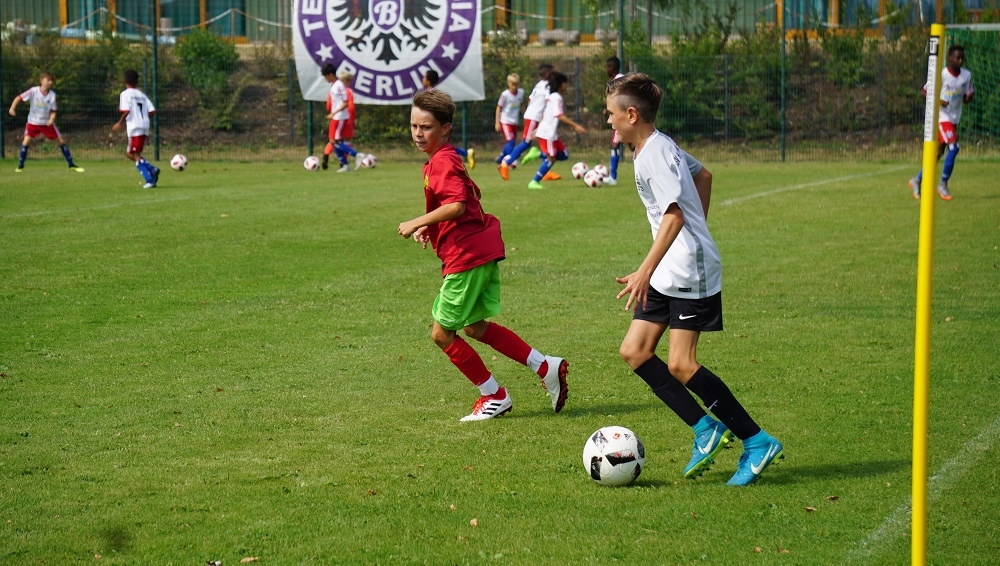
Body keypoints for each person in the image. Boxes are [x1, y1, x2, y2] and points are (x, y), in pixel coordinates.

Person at [605, 73, 783, 486]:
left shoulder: (654, 154)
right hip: (670, 265)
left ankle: (757, 441)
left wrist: (647, 268)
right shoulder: (656, 146)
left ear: (631, 115)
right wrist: (688, 236)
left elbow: (675, 215)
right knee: (635, 351)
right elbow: (704, 177)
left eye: (610, 113)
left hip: (687, 269)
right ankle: (706, 430)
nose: (607, 120)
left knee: (681, 364)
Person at [397, 88, 568, 421]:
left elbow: (457, 205)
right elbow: (466, 201)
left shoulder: (443, 160)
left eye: (426, 127)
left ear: (445, 128)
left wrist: (417, 221)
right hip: (477, 251)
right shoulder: (441, 158)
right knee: (474, 327)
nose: (418, 133)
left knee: (442, 334)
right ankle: (545, 366)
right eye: (414, 126)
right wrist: (430, 226)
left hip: (467, 257)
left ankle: (494, 395)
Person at [908, 45, 974, 201]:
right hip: (942, 117)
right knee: (954, 147)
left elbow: (967, 96)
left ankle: (917, 179)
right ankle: (943, 184)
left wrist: (968, 97)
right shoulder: (941, 74)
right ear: (949, 58)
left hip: (954, 118)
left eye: (962, 58)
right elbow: (924, 93)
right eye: (957, 58)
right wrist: (939, 101)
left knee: (937, 154)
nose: (960, 61)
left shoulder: (966, 75)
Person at [8, 71, 85, 173]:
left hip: (46, 123)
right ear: (41, 81)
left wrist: (51, 119)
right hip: (33, 122)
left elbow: (54, 111)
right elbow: (19, 97)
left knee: (61, 141)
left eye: (51, 81)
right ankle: (20, 166)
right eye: (48, 80)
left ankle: (71, 165)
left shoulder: (52, 95)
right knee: (26, 142)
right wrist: (12, 108)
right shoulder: (33, 91)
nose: (50, 82)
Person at [527, 72, 586, 190]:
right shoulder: (556, 97)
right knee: (552, 158)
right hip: (547, 133)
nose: (567, 86)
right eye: (565, 83)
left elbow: (546, 114)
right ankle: (534, 182)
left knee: (564, 155)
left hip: (550, 133)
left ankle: (538, 154)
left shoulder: (552, 97)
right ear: (560, 84)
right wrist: (576, 126)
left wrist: (538, 129)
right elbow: (559, 115)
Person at [498, 64, 552, 180]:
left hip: (533, 116)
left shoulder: (539, 84)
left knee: (545, 141)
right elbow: (548, 102)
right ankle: (505, 163)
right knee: (526, 142)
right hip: (534, 117)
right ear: (548, 74)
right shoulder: (547, 86)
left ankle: (545, 171)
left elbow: (530, 99)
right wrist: (541, 117)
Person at [111, 69, 159, 189]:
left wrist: (119, 123)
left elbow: (126, 111)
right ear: (137, 82)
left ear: (124, 81)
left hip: (134, 126)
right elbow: (152, 111)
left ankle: (149, 179)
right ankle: (151, 168)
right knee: (130, 153)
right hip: (144, 125)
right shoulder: (142, 95)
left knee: (135, 154)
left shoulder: (125, 94)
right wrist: (142, 118)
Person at [422, 70, 475, 169]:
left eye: (424, 77)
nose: (422, 79)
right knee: (442, 146)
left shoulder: (430, 95)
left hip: (441, 125)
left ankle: (462, 157)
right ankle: (463, 156)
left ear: (428, 80)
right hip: (442, 124)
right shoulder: (436, 93)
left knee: (442, 147)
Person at [321, 65, 368, 172]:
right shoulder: (335, 85)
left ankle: (356, 155)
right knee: (334, 142)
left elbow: (345, 103)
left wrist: (333, 113)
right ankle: (345, 165)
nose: (326, 79)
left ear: (330, 75)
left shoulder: (339, 85)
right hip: (336, 117)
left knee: (334, 141)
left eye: (326, 76)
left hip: (339, 117)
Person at [603, 56, 626, 185]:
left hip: (622, 118)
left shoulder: (618, 80)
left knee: (614, 145)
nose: (606, 69)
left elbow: (621, 99)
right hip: (622, 116)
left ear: (612, 67)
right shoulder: (617, 79)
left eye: (607, 67)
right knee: (633, 146)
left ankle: (613, 177)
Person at [494, 73, 524, 167]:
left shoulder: (521, 92)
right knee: (511, 141)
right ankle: (511, 161)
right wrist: (497, 122)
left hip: (514, 122)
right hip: (505, 121)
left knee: (511, 142)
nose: (514, 86)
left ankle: (501, 156)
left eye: (516, 84)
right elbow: (498, 108)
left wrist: (524, 117)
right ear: (508, 83)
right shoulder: (505, 95)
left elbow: (522, 105)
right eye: (512, 84)